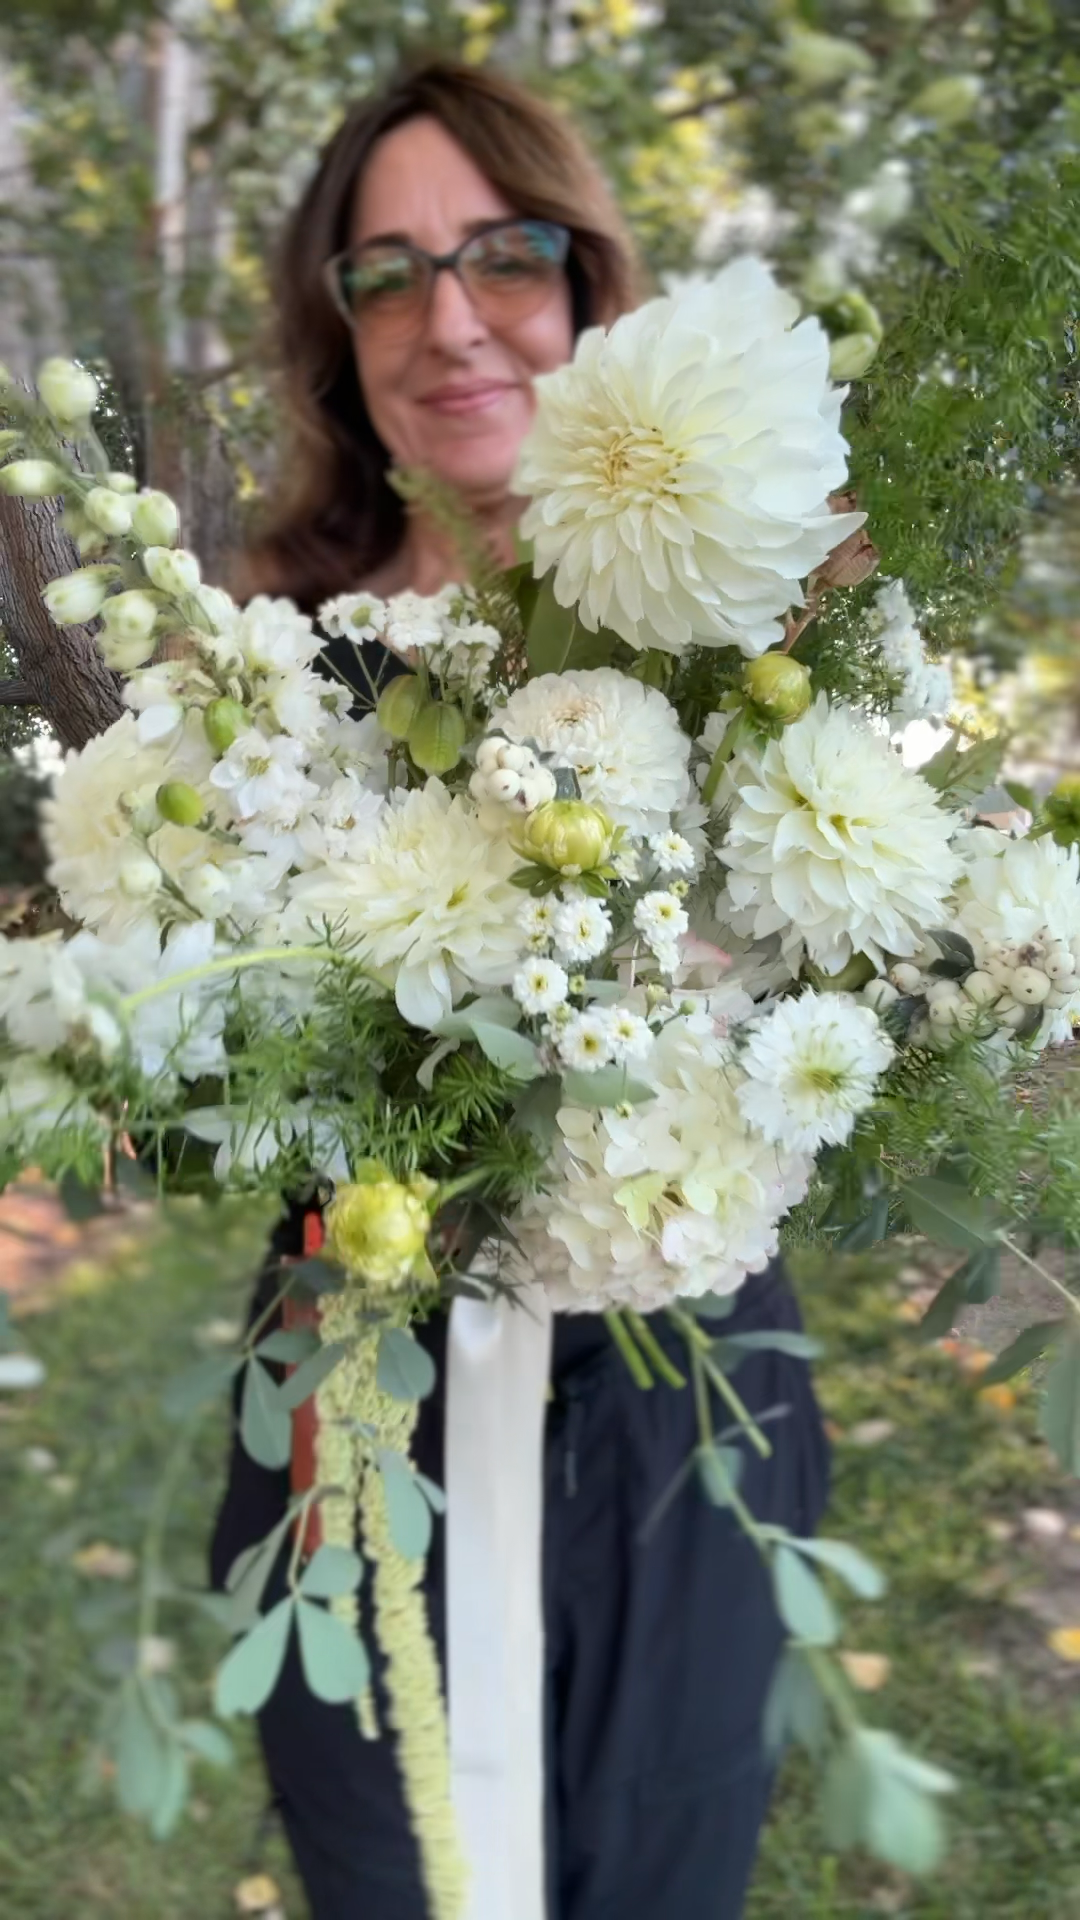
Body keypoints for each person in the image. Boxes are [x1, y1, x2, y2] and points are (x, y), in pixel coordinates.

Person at [211, 58, 830, 1920]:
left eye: (504, 252)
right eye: (384, 270)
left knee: (659, 1852)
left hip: (685, 1373)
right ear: (337, 330)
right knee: (392, 1866)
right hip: (352, 1375)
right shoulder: (258, 660)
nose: (450, 317)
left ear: (587, 283)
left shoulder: (752, 618)